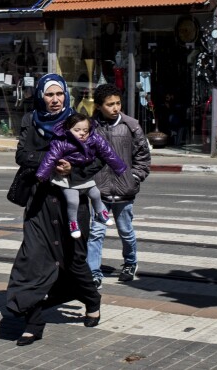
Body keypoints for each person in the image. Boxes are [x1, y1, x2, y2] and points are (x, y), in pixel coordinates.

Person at [5, 74, 103, 347]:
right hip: (39, 203)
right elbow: (22, 155)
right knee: (33, 258)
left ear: (66, 96)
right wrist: (53, 159)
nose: (55, 100)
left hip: (72, 203)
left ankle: (92, 299)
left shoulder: (79, 122)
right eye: (49, 95)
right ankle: (33, 323)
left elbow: (97, 160)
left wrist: (73, 167)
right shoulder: (30, 120)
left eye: (59, 94)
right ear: (40, 96)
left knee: (73, 260)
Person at [87, 83, 151, 287]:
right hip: (99, 192)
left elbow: (143, 156)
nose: (115, 108)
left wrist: (134, 177)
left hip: (125, 192)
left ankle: (130, 263)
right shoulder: (90, 126)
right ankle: (94, 272)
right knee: (96, 232)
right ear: (98, 106)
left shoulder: (131, 125)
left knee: (126, 231)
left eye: (118, 103)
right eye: (110, 104)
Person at [35, 112, 127, 239]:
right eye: (77, 130)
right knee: (73, 200)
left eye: (85, 130)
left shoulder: (94, 138)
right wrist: (42, 174)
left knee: (95, 194)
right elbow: (50, 158)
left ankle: (101, 213)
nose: (82, 133)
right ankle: (73, 223)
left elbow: (107, 152)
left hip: (83, 174)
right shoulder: (61, 141)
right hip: (66, 178)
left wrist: (119, 167)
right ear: (68, 130)